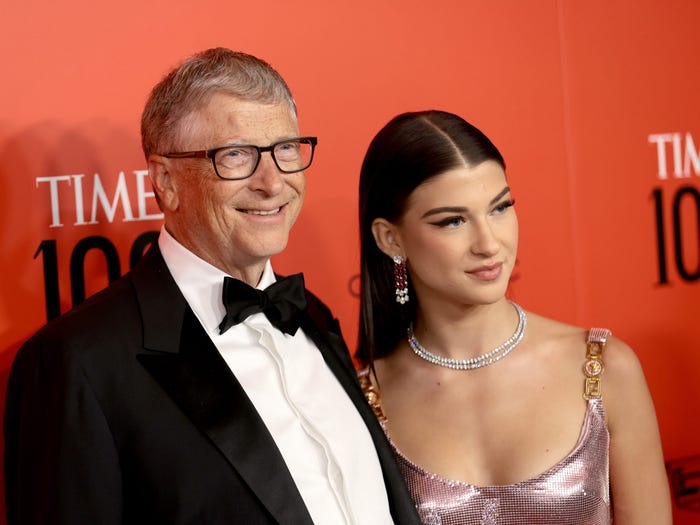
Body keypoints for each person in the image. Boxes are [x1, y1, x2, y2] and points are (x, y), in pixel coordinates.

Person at [4, 48, 421, 525]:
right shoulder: (78, 363)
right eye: (237, 155)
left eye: (286, 148)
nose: (273, 182)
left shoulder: (314, 316)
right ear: (166, 181)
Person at [356, 110, 672, 524]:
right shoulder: (365, 400)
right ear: (390, 238)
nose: (489, 243)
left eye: (500, 208)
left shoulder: (602, 367)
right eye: (453, 221)